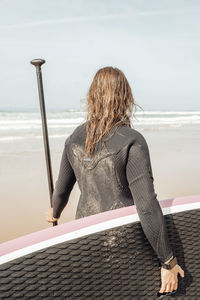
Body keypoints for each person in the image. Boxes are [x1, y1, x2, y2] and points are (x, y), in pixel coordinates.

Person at [45, 66, 184, 294]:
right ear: (125, 97)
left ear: (92, 97)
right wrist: (168, 261)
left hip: (85, 238)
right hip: (124, 242)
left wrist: (55, 212)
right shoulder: (132, 140)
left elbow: (61, 191)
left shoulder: (74, 139)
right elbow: (147, 206)